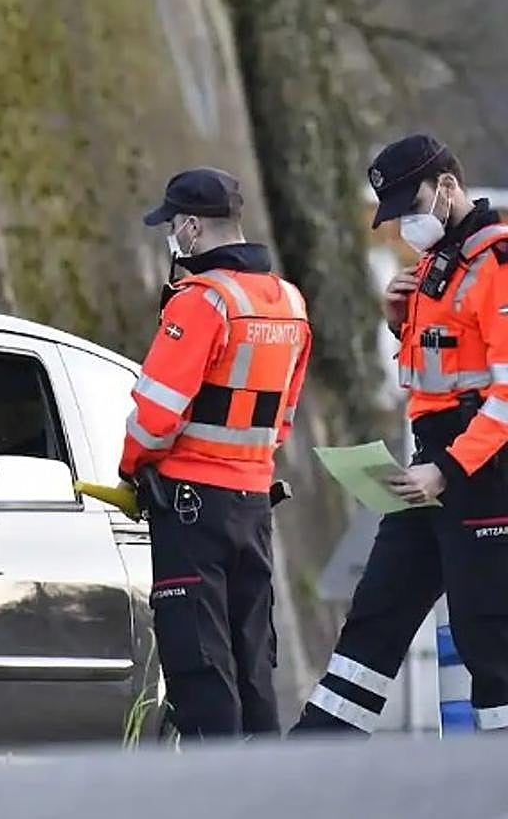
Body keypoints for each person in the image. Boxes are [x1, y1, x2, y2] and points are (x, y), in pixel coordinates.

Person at [294, 134, 508, 735]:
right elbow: (436, 371)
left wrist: (449, 467)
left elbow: (505, 393)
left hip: (483, 472)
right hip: (431, 465)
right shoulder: (440, 267)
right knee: (376, 613)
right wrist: (398, 323)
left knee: (488, 637)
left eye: (410, 207)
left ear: (447, 186)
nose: (405, 226)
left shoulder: (497, 265)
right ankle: (310, 760)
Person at [122, 167, 312, 738]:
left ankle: (217, 793)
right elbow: (282, 420)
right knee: (252, 655)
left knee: (201, 660)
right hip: (253, 503)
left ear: (190, 227)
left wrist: (130, 467)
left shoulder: (202, 302)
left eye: (172, 228)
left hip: (189, 506)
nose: (171, 239)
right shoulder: (290, 304)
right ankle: (262, 792)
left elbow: (157, 414)